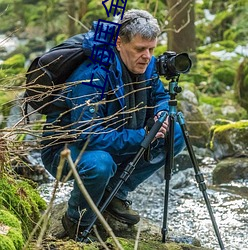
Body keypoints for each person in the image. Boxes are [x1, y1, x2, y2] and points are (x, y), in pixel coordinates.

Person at [41, 9, 185, 241]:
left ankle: (115, 193)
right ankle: (76, 221)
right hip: (67, 150)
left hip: (117, 136)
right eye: (140, 49)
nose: (147, 56)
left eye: (151, 49)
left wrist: (161, 114)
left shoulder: (146, 64)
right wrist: (142, 135)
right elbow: (87, 135)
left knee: (175, 132)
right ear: (119, 42)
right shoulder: (91, 76)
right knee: (100, 164)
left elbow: (159, 96)